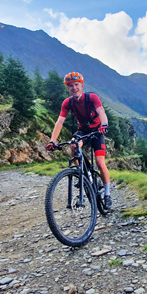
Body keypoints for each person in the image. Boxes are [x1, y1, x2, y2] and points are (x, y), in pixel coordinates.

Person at [46, 72, 112, 209]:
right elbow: (60, 121)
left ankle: (107, 194)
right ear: (68, 88)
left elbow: (101, 112)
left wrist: (104, 125)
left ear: (81, 85)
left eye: (76, 85)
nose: (74, 88)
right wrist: (53, 140)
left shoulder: (92, 97)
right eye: (70, 86)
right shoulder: (67, 102)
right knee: (73, 145)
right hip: (83, 130)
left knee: (100, 162)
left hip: (97, 131)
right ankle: (83, 174)